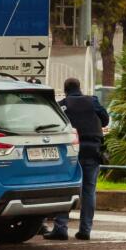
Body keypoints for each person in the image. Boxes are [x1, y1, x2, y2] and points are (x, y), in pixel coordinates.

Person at [44, 78, 109, 241]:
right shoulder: (92, 101)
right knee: (89, 191)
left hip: (70, 152)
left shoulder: (62, 104)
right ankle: (85, 230)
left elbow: (53, 125)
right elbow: (105, 119)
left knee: (66, 188)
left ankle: (61, 228)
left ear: (65, 90)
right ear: (79, 88)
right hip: (92, 151)